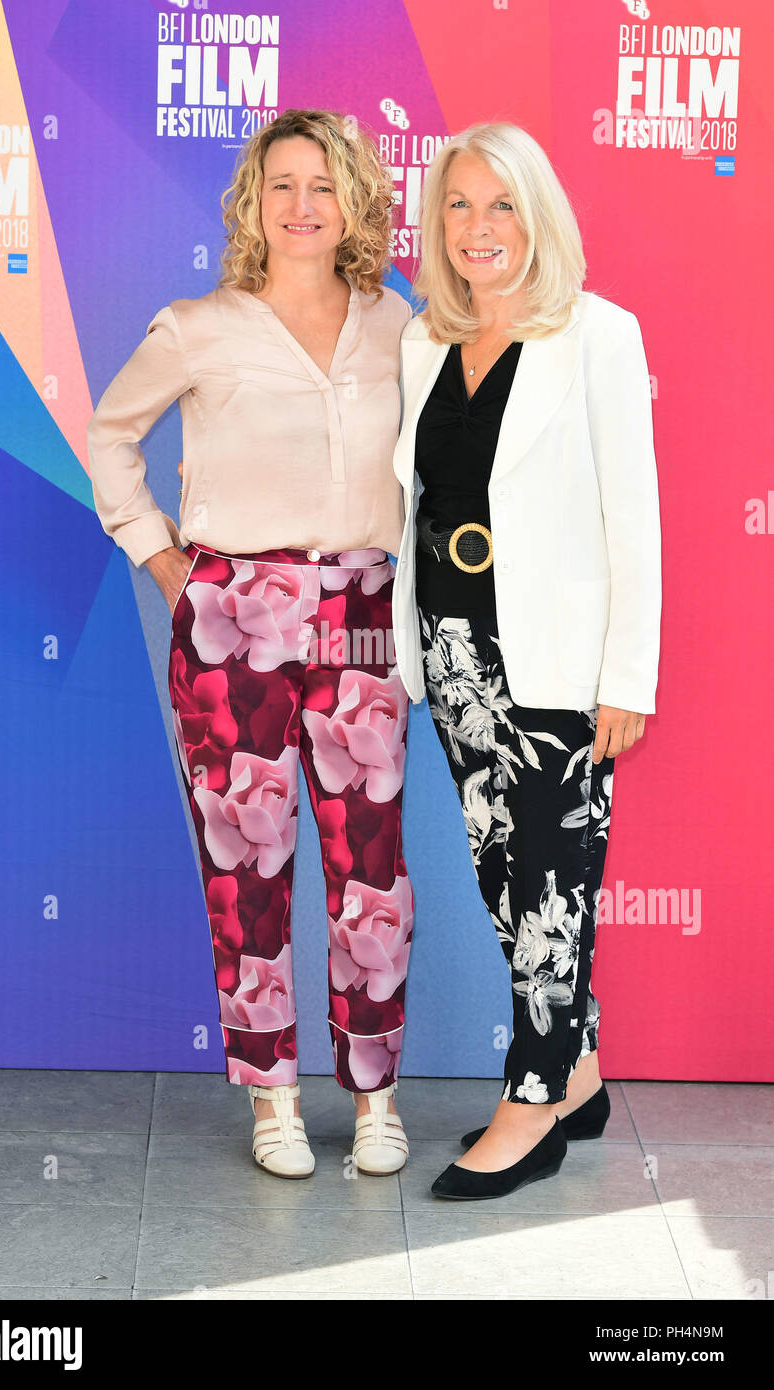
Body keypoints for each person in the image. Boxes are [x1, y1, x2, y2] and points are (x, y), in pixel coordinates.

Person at [86, 109, 413, 1180]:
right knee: (249, 863)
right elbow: (111, 434)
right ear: (251, 203)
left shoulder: (395, 325)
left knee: (371, 872)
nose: (303, 204)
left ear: (355, 199)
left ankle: (374, 1099)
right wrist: (164, 558)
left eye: (324, 184)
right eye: (282, 184)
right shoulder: (200, 325)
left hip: (363, 610)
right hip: (234, 617)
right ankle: (271, 1092)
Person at [389, 121, 662, 1200]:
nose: (479, 228)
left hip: (556, 656)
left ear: (537, 214)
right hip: (455, 651)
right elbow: (418, 503)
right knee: (508, 875)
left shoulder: (598, 334)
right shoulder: (423, 344)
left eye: (501, 205)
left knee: (554, 880)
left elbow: (630, 516)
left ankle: (533, 1098)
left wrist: (625, 675)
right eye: (459, 205)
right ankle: (581, 1070)